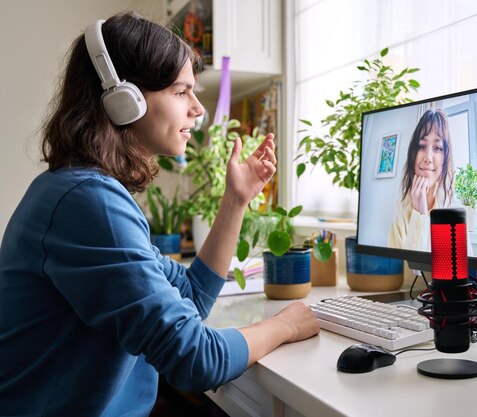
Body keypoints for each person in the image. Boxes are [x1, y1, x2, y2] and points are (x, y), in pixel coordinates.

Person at [0, 12, 319, 417]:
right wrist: (285, 326)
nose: (198, 110)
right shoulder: (86, 201)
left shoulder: (82, 192)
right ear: (124, 100)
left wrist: (236, 199)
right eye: (181, 91)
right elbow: (195, 360)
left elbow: (190, 297)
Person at [388, 109, 455, 250]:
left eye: (437, 147)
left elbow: (444, 272)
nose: (428, 158)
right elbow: (407, 271)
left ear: (445, 159)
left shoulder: (452, 213)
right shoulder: (401, 211)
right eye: (421, 146)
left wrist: (423, 215)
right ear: (413, 153)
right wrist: (419, 214)